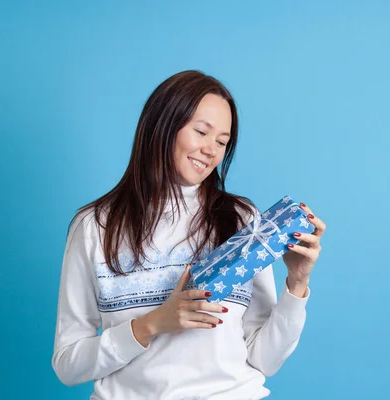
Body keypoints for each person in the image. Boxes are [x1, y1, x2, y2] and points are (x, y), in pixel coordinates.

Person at [52, 70, 326, 400]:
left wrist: (296, 284)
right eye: (201, 132)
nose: (211, 150)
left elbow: (264, 360)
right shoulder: (95, 226)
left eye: (222, 142)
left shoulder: (242, 220)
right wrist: (151, 324)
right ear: (162, 126)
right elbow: (68, 364)